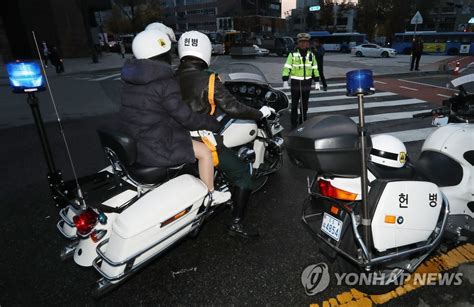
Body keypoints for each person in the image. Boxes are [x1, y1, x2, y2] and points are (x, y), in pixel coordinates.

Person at [176, 30, 275, 238]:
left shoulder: (173, 76)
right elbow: (233, 107)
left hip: (177, 134)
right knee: (242, 174)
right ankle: (236, 224)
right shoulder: (209, 79)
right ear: (204, 50)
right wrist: (260, 112)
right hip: (201, 138)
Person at [119, 29, 231, 205]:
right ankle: (211, 194)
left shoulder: (130, 80)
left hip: (138, 142)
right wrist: (212, 123)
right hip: (157, 146)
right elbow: (186, 118)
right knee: (205, 152)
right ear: (162, 55)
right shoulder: (164, 82)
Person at [282, 33, 320, 129]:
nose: (303, 44)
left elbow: (315, 68)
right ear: (298, 43)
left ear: (308, 43)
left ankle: (303, 122)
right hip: (295, 83)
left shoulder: (311, 54)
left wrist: (317, 81)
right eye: (301, 42)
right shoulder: (292, 54)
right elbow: (287, 67)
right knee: (294, 105)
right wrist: (285, 79)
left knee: (304, 105)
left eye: (305, 42)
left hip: (307, 83)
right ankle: (293, 124)